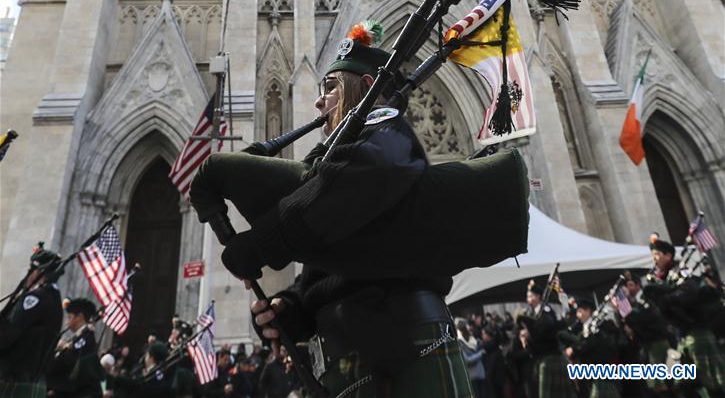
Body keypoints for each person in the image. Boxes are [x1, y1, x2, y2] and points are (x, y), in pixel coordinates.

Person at [190, 20, 487, 397]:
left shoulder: (391, 138)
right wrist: (292, 307)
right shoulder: (340, 166)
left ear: (366, 88)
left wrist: (264, 242)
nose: (318, 102)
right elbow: (332, 263)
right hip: (351, 359)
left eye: (330, 88)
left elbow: (338, 191)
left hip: (405, 352)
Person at [643, 236, 725, 398]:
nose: (655, 259)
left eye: (658, 254)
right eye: (653, 255)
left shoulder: (681, 271)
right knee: (683, 385)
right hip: (681, 339)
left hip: (697, 333)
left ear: (669, 255)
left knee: (711, 383)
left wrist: (666, 294)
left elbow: (689, 292)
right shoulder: (663, 279)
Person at [0, 245, 64, 398]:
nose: (28, 276)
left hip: (13, 377)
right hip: (31, 380)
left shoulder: (35, 298)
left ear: (39, 272)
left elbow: (9, 334)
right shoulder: (55, 300)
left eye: (31, 271)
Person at [519, 280, 576, 398]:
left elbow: (547, 329)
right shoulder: (534, 313)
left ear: (538, 296)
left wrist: (530, 333)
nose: (528, 299)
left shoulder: (546, 311)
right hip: (542, 359)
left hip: (551, 358)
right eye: (527, 296)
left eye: (530, 296)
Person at [558, 298, 620, 398]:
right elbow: (564, 335)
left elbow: (591, 342)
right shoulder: (579, 327)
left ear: (588, 311)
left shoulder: (601, 324)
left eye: (580, 311)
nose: (578, 315)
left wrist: (574, 348)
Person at [46, 297, 104, 398]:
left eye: (69, 317)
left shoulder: (86, 338)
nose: (66, 322)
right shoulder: (80, 337)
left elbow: (69, 362)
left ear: (79, 317)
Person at [455, 317, 487, 398]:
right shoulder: (460, 342)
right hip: (473, 376)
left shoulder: (472, 339)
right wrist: (480, 354)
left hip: (478, 373)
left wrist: (480, 345)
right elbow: (467, 360)